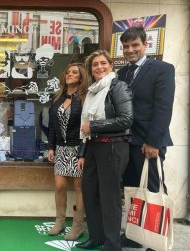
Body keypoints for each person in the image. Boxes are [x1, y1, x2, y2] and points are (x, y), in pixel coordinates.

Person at [117, 26, 175, 248]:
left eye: (134, 45)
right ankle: (135, 235)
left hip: (148, 142)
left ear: (145, 45)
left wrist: (153, 142)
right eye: (126, 46)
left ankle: (156, 241)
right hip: (126, 142)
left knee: (153, 190)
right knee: (133, 189)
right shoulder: (122, 73)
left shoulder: (162, 69)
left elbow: (163, 108)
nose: (130, 50)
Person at [75, 50, 133, 251]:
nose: (99, 67)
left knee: (109, 197)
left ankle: (112, 244)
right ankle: (96, 238)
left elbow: (126, 119)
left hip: (113, 147)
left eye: (103, 63)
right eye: (95, 65)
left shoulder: (118, 87)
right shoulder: (92, 91)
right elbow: (85, 126)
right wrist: (82, 153)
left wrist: (95, 126)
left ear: (111, 66)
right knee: (90, 193)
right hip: (93, 147)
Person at [47, 63, 90, 240]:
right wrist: (51, 146)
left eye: (75, 73)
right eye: (68, 72)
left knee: (80, 188)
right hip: (61, 149)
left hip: (78, 148)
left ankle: (78, 225)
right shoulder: (58, 97)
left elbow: (87, 127)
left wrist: (83, 152)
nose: (70, 75)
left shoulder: (85, 98)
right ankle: (60, 221)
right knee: (59, 186)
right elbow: (52, 126)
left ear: (81, 77)